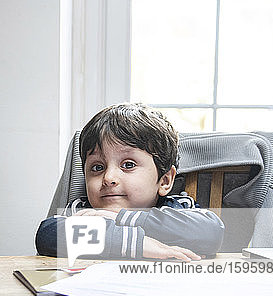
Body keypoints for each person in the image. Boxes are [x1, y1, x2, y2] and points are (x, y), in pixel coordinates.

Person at [35, 103, 224, 261]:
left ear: (165, 181)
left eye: (128, 164)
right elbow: (47, 235)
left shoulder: (177, 208)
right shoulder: (83, 211)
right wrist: (136, 243)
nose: (108, 178)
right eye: (98, 168)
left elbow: (211, 232)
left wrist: (120, 218)